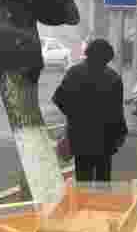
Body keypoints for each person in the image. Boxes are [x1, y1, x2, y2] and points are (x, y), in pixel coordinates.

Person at [52, 38, 127, 182]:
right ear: (107, 57)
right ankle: (99, 203)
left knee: (83, 177)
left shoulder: (74, 73)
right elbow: (117, 111)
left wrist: (75, 115)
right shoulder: (113, 78)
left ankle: (84, 203)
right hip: (105, 138)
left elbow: (58, 99)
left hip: (80, 135)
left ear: (88, 53)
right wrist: (121, 133)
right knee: (103, 180)